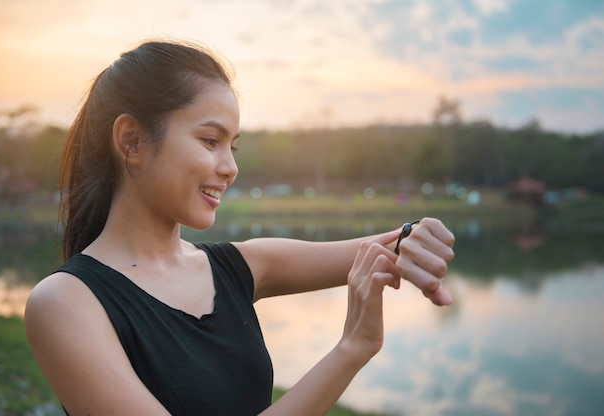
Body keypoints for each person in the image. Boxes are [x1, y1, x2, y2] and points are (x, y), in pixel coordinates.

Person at [24, 39, 455, 416]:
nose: (230, 169)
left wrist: (418, 235)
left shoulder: (237, 266)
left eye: (232, 146)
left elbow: (383, 248)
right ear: (132, 141)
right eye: (210, 141)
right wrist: (351, 350)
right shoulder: (65, 303)